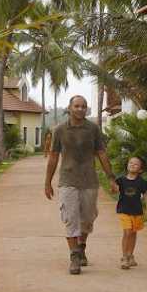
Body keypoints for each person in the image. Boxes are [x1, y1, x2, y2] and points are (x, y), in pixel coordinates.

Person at [44, 95, 113, 275]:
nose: (80, 109)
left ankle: (82, 246)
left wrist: (111, 177)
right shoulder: (59, 130)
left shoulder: (93, 129)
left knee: (88, 218)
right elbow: (53, 156)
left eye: (83, 106)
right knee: (70, 217)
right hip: (68, 180)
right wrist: (47, 182)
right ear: (70, 108)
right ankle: (74, 256)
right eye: (77, 106)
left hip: (89, 180)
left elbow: (101, 153)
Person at [114, 156, 147, 270]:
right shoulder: (120, 180)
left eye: (136, 164)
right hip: (123, 210)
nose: (132, 165)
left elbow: (146, 196)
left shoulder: (142, 182)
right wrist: (113, 187)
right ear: (127, 165)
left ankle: (130, 254)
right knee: (127, 232)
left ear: (140, 169)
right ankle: (124, 257)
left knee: (133, 233)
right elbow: (114, 189)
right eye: (131, 163)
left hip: (137, 212)